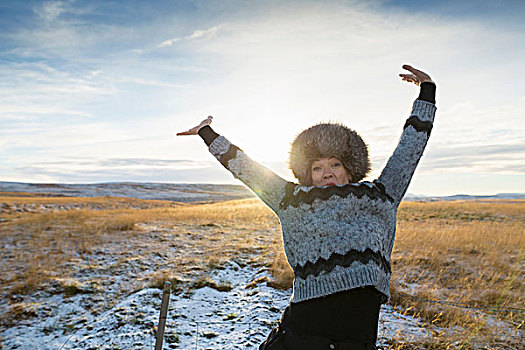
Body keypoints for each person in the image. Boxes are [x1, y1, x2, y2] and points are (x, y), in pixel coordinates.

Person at [177, 64, 436, 350]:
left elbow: (409, 150)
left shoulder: (381, 195)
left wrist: (427, 93)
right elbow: (247, 169)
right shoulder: (292, 200)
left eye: (334, 164)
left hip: (358, 338)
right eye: (317, 167)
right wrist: (207, 134)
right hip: (302, 336)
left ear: (349, 168)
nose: (326, 173)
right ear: (307, 174)